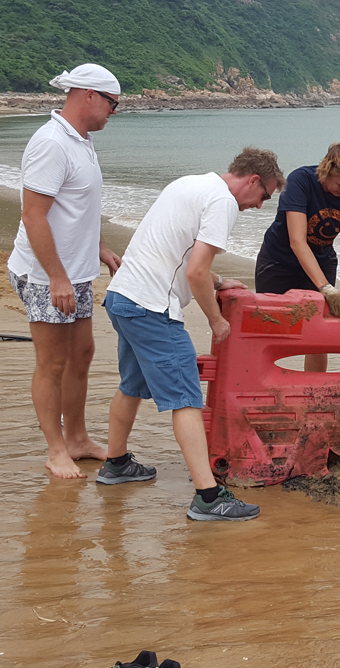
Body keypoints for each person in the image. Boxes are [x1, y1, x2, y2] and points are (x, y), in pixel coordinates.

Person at [95, 147, 284, 522]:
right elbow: (195, 271)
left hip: (123, 297)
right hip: (152, 308)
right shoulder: (223, 202)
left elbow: (172, 251)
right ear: (253, 180)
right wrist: (216, 320)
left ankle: (115, 464)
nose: (261, 206)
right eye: (265, 196)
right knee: (186, 399)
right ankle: (208, 496)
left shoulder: (190, 184)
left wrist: (217, 281)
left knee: (132, 384)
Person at [7, 63, 123, 479]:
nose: (114, 111)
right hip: (44, 272)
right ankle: (56, 449)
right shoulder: (51, 143)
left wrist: (101, 249)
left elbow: (78, 209)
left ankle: (77, 438)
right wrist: (55, 276)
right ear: (88, 95)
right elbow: (34, 216)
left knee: (83, 354)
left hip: (76, 269)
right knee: (52, 362)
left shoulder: (82, 140)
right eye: (113, 103)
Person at [254, 140, 340, 372]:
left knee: (318, 335)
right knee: (270, 327)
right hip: (279, 261)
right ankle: (258, 385)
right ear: (327, 171)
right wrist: (325, 287)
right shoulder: (300, 181)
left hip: (322, 259)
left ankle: (313, 393)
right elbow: (297, 242)